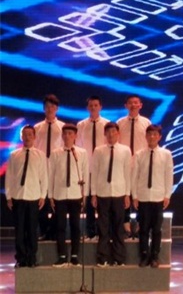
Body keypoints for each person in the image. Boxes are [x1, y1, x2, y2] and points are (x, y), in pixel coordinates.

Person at [91, 122, 132, 267]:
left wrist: (127, 194)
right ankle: (103, 257)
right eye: (108, 132)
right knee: (103, 227)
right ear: (104, 134)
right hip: (103, 193)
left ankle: (119, 258)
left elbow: (127, 173)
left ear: (118, 133)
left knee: (118, 227)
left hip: (119, 193)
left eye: (113, 131)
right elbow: (94, 173)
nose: (111, 134)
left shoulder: (125, 150)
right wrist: (94, 194)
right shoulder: (98, 151)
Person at [132, 125, 174, 267]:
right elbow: (134, 176)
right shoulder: (139, 154)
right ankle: (144, 255)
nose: (152, 137)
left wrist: (167, 195)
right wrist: (134, 196)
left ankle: (155, 256)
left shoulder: (166, 154)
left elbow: (169, 176)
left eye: (155, 134)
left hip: (158, 196)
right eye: (149, 134)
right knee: (143, 228)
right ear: (145, 136)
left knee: (156, 229)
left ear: (159, 137)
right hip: (143, 196)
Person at [7, 125, 48, 268]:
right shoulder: (14, 155)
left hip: (33, 196)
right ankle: (20, 258)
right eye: (25, 134)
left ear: (34, 137)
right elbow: (10, 176)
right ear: (21, 137)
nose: (27, 137)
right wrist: (9, 196)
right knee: (19, 230)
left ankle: (31, 257)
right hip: (18, 196)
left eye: (30, 134)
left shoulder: (40, 155)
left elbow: (44, 176)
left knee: (31, 229)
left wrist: (43, 195)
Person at [48, 124, 88, 267]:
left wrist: (85, 195)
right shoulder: (55, 153)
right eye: (65, 133)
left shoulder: (81, 153)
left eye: (70, 133)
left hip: (76, 194)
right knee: (60, 226)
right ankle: (62, 256)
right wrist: (50, 195)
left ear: (75, 136)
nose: (67, 136)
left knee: (75, 226)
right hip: (59, 194)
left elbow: (84, 173)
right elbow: (51, 174)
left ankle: (75, 256)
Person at [117, 94, 151, 238]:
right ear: (126, 106)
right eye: (130, 103)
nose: (133, 105)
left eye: (136, 102)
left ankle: (139, 225)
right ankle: (125, 224)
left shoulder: (146, 122)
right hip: (123, 164)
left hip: (140, 164)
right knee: (124, 195)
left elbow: (150, 142)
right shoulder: (120, 123)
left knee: (139, 194)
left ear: (140, 105)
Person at [76, 95, 109, 240]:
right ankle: (90, 232)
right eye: (91, 105)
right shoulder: (81, 125)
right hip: (87, 167)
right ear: (87, 107)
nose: (93, 107)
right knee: (89, 201)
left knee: (102, 201)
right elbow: (78, 146)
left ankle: (103, 232)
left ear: (100, 107)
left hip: (103, 169)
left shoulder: (107, 124)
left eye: (96, 105)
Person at [34, 94, 64, 240]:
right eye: (47, 106)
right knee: (42, 203)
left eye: (52, 106)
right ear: (44, 108)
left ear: (57, 108)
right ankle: (44, 231)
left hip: (57, 169)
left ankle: (54, 231)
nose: (50, 109)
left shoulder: (63, 127)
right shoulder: (37, 127)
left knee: (58, 203)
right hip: (41, 169)